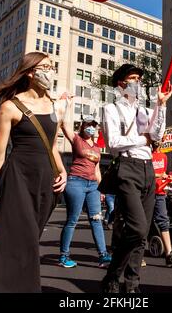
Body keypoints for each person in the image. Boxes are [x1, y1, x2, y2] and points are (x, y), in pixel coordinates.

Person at [0, 52, 67, 293]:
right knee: (22, 237)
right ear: (30, 72)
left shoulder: (55, 106)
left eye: (52, 67)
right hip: (18, 177)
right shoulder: (10, 106)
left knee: (30, 238)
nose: (50, 71)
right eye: (45, 67)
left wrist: (63, 171)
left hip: (45, 181)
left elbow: (52, 146)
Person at [101, 63, 172, 293]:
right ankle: (113, 275)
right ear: (121, 83)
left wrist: (161, 105)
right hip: (126, 167)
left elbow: (157, 135)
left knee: (140, 235)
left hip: (147, 169)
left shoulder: (143, 110)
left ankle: (132, 285)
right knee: (139, 228)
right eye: (133, 78)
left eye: (139, 80)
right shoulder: (111, 109)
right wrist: (144, 140)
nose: (138, 83)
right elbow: (113, 143)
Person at [59, 114, 112, 268]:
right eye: (88, 124)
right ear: (82, 126)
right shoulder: (76, 139)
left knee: (96, 220)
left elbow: (97, 170)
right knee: (72, 220)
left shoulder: (96, 148)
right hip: (76, 182)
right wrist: (66, 104)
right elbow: (63, 124)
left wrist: (102, 189)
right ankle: (64, 256)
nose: (91, 128)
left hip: (93, 186)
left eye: (93, 125)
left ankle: (103, 255)